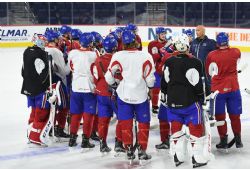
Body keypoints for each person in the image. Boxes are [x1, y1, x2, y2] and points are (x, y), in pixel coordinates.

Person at [105, 30, 155, 161]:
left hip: (124, 94)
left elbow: (108, 76)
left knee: (125, 122)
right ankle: (142, 150)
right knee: (143, 123)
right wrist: (150, 88)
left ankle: (128, 150)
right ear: (136, 42)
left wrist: (114, 84)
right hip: (141, 95)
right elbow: (150, 78)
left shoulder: (118, 56)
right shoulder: (146, 56)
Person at [161, 34, 208, 167]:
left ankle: (178, 156)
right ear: (187, 45)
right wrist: (201, 98)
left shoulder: (168, 62)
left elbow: (165, 83)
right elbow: (198, 84)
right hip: (190, 103)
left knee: (175, 129)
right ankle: (197, 158)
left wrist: (164, 95)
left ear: (175, 45)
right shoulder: (195, 62)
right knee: (195, 129)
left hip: (172, 103)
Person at [206, 32, 243, 149]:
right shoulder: (236, 52)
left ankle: (223, 139)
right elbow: (237, 61)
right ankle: (238, 139)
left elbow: (208, 71)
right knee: (235, 116)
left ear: (217, 42)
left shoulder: (212, 55)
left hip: (218, 91)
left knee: (220, 117)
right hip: (234, 88)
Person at [91, 36, 125, 154]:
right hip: (116, 93)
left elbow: (95, 77)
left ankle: (102, 143)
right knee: (121, 118)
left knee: (103, 120)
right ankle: (118, 143)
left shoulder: (98, 60)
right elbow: (121, 77)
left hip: (101, 93)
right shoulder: (118, 59)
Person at [67, 33, 97, 149]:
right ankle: (85, 141)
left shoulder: (72, 53)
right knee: (88, 115)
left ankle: (72, 139)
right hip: (89, 88)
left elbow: (69, 67)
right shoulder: (94, 55)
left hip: (75, 87)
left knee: (75, 114)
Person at [21, 34, 51, 145]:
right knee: (41, 113)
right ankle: (35, 138)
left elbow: (23, 71)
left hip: (27, 88)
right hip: (39, 90)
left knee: (33, 112)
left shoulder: (26, 51)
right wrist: (45, 87)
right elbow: (45, 74)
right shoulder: (42, 54)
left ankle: (30, 134)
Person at [45, 30, 71, 139]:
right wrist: (69, 63)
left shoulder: (44, 49)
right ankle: (60, 128)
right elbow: (64, 71)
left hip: (46, 83)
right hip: (58, 82)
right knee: (64, 106)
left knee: (51, 106)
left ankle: (50, 127)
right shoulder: (56, 52)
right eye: (58, 39)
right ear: (54, 40)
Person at [189, 25, 217, 95]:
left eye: (198, 30)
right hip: (195, 66)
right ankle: (197, 95)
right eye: (196, 31)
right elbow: (190, 53)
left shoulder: (210, 42)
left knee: (207, 82)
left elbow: (218, 53)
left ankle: (209, 95)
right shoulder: (194, 42)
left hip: (206, 67)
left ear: (203, 31)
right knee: (195, 82)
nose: (196, 32)